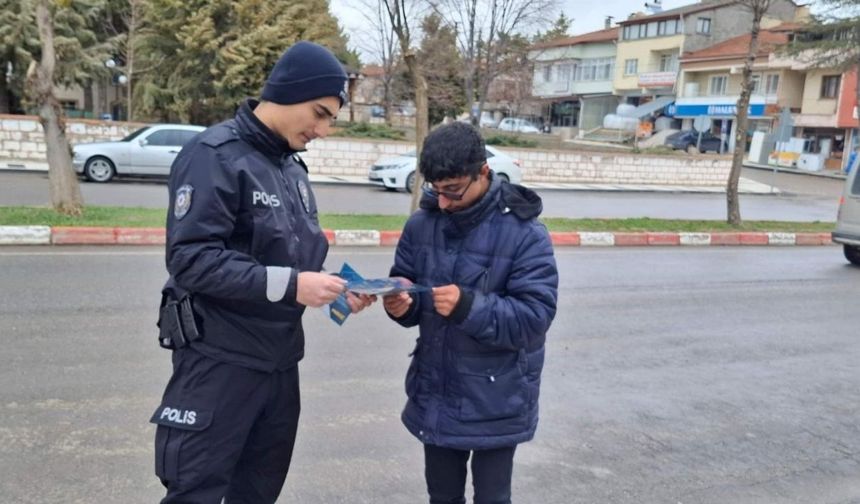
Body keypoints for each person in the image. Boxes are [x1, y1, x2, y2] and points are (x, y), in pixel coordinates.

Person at [150, 41, 374, 503]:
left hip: (279, 365)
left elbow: (295, 260)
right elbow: (191, 259)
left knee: (258, 491)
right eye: (319, 113)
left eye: (330, 119)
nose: (323, 130)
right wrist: (294, 285)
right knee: (196, 491)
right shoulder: (214, 155)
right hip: (220, 362)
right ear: (288, 92)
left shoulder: (292, 168)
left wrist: (334, 289)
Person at [382, 122, 559, 504]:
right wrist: (400, 303)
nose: (444, 202)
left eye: (453, 190)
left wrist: (468, 307)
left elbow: (534, 317)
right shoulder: (422, 224)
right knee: (442, 496)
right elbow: (408, 284)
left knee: (492, 497)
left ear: (483, 172)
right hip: (438, 388)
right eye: (436, 189)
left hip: (498, 395)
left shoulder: (525, 233)